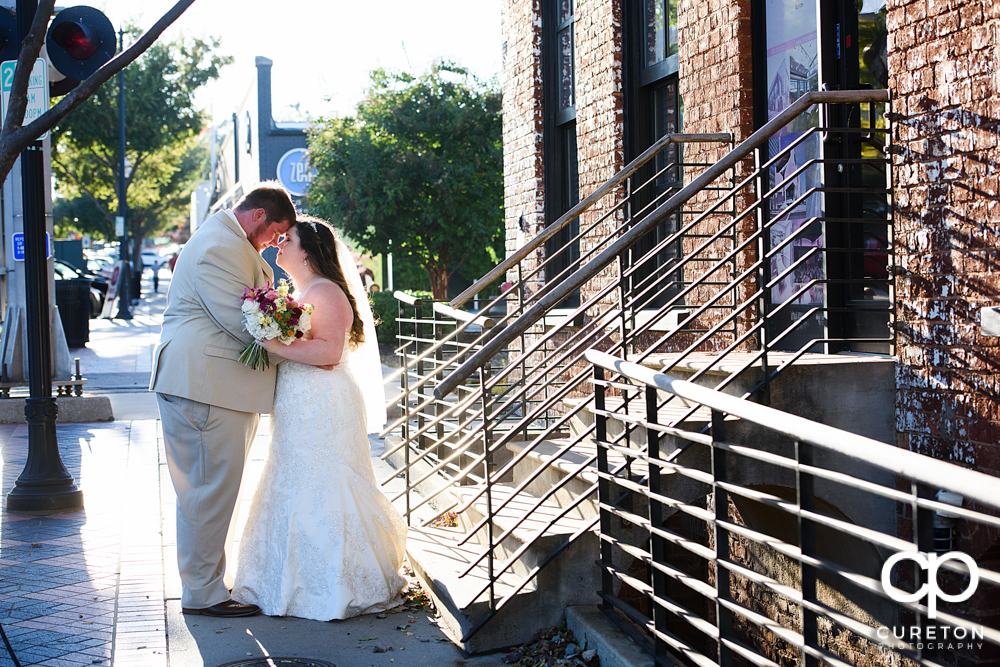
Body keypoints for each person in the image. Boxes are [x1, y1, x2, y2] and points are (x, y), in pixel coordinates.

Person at [231, 216, 404, 621]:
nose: (277, 246)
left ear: (306, 251)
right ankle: (282, 580)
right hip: (299, 399)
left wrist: (274, 344)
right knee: (292, 476)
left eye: (285, 240)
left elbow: (327, 355)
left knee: (323, 479)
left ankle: (331, 585)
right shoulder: (302, 290)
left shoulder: (325, 292)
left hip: (322, 401)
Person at [149, 181, 296, 618]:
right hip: (204, 386)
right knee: (207, 493)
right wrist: (303, 342)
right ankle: (203, 594)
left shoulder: (228, 241)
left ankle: (207, 585)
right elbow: (244, 322)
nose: (275, 242)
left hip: (214, 386)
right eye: (276, 232)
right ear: (257, 216)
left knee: (208, 491)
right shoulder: (220, 246)